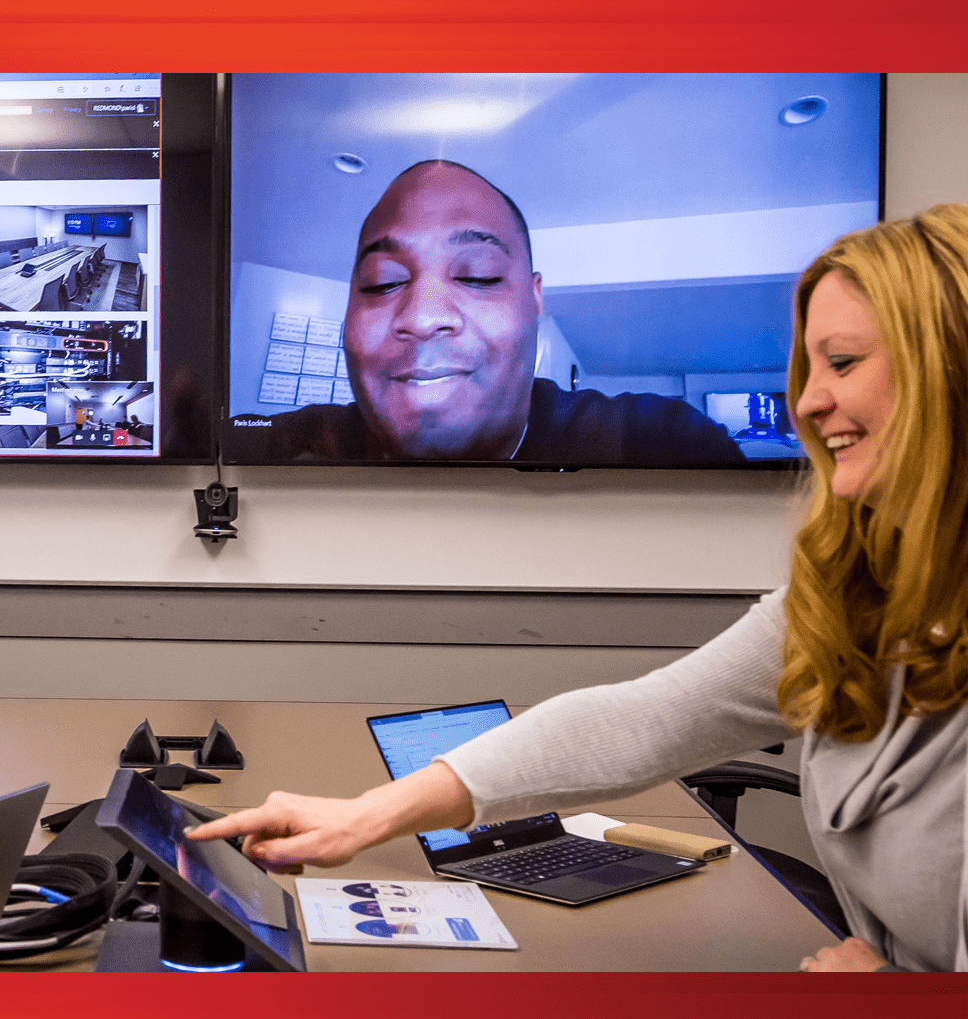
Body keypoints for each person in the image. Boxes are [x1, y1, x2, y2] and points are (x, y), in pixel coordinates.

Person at [193, 205, 968, 972]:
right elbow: (649, 720)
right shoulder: (853, 590)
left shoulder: (650, 428)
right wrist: (362, 817)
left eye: (842, 364)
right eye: (385, 283)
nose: (806, 403)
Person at [238, 160, 745, 465]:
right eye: (383, 282)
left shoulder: (659, 444)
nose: (422, 316)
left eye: (477, 275)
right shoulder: (266, 455)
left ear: (535, 299)